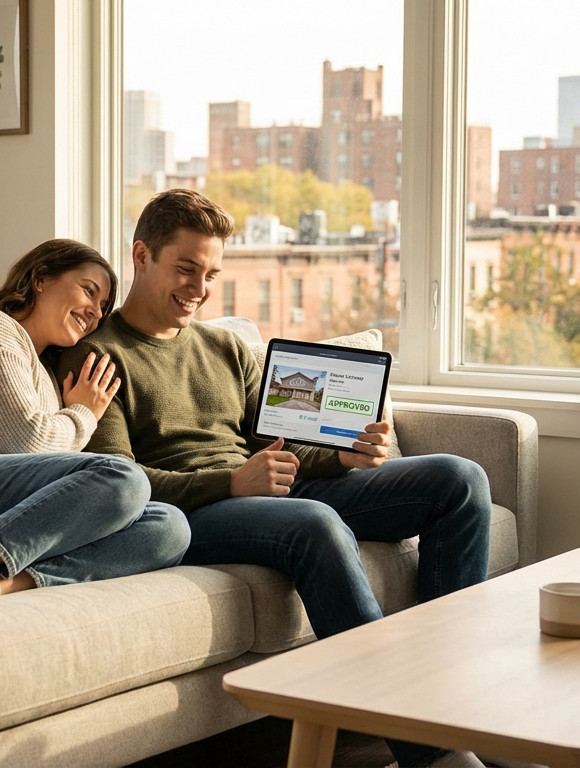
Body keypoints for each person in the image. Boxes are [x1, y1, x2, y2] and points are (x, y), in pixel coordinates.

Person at [55, 190, 493, 768]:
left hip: (264, 491)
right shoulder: (96, 356)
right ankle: (431, 752)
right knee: (313, 522)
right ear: (142, 256)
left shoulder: (226, 346)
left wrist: (343, 457)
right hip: (193, 512)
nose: (199, 288)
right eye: (185, 268)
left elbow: (276, 447)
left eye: (210, 273)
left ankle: (456, 705)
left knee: (458, 481)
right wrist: (232, 482)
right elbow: (117, 482)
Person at [0, 238, 191, 609]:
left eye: (103, 306)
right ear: (41, 278)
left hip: (3, 515)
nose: (95, 311)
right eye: (88, 291)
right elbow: (27, 443)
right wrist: (85, 414)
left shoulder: (46, 370)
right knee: (124, 478)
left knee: (170, 527)